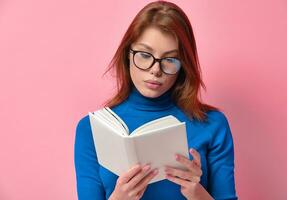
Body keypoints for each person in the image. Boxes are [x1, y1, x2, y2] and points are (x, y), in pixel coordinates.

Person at [74, 1, 237, 199]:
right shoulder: (91, 129)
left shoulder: (213, 124)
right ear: (127, 54)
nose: (155, 70)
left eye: (170, 59)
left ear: (183, 65)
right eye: (144, 55)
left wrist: (197, 193)